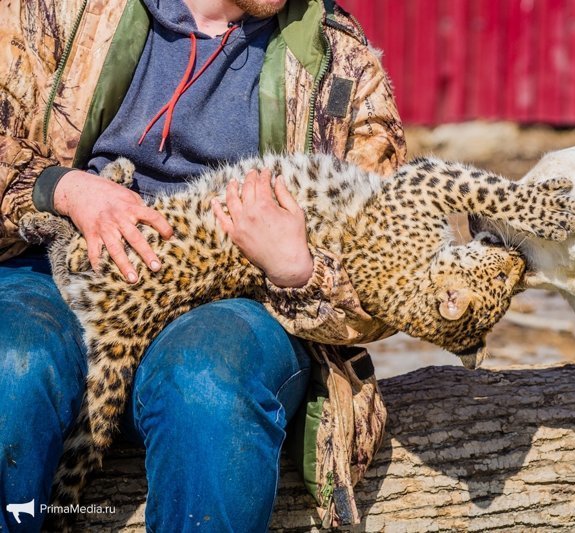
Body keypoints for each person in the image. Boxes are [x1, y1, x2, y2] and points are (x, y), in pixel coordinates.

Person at [0, 0, 405, 530]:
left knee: (206, 385)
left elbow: (393, 276)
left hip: (239, 302)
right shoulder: (59, 10)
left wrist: (300, 270)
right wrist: (64, 188)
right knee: (15, 362)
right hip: (60, 263)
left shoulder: (341, 62)